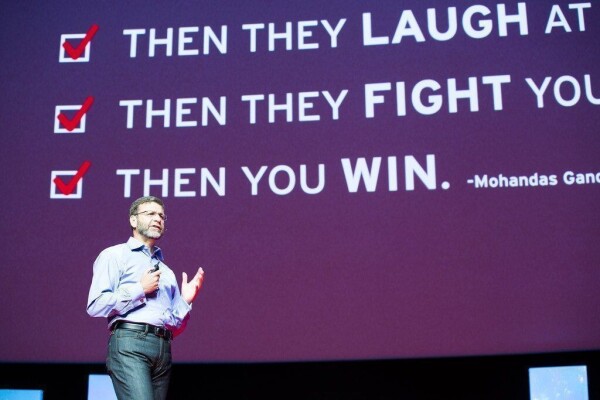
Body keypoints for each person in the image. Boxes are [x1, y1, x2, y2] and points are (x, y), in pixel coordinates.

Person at [87, 196, 204, 399]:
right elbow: (95, 305)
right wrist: (139, 289)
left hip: (163, 349)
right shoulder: (114, 255)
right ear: (133, 220)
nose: (157, 218)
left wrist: (185, 301)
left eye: (161, 215)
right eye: (150, 213)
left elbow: (174, 327)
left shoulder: (167, 272)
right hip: (130, 344)